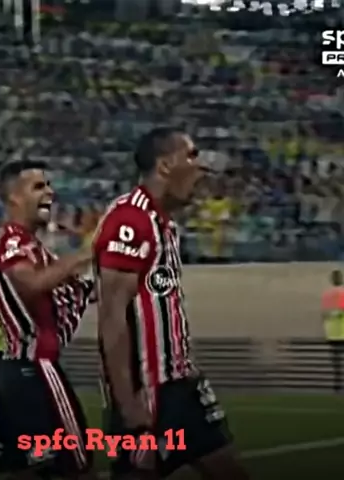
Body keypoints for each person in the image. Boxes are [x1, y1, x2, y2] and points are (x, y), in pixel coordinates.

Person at [93, 127, 249, 480]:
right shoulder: (130, 219)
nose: (200, 169)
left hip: (181, 385)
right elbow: (113, 314)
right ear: (164, 165)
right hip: (150, 392)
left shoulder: (165, 225)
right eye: (191, 156)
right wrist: (127, 402)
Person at [0, 159, 96, 480]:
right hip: (36, 371)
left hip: (17, 373)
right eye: (38, 186)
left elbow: (70, 291)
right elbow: (31, 284)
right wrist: (87, 253)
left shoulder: (33, 247)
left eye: (48, 185)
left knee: (23, 470)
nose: (50, 192)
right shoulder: (13, 241)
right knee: (74, 467)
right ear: (14, 197)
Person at [321, 269, 344, 392]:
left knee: (336, 361)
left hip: (332, 332)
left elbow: (324, 314)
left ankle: (337, 384)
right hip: (342, 330)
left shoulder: (327, 295)